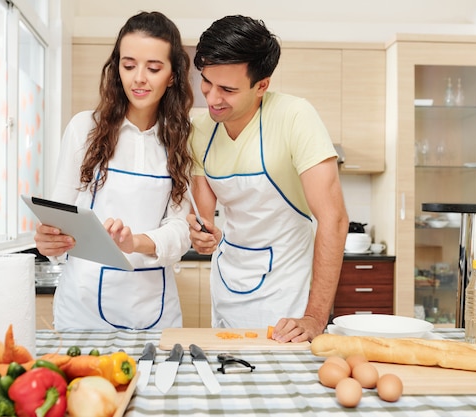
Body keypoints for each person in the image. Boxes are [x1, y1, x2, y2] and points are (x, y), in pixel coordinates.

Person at [188, 15, 349, 343]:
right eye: (207, 82)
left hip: (287, 290)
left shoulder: (294, 117)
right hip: (228, 281)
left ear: (262, 85)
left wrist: (315, 317)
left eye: (228, 89)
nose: (212, 98)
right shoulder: (199, 131)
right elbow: (203, 218)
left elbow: (334, 218)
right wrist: (200, 234)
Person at [34, 11, 194, 331]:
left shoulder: (184, 139)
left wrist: (134, 242)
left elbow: (181, 232)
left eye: (153, 68)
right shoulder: (84, 128)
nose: (138, 78)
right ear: (117, 66)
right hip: (83, 307)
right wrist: (48, 240)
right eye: (129, 64)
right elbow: (59, 213)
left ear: (173, 75)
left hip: (152, 309)